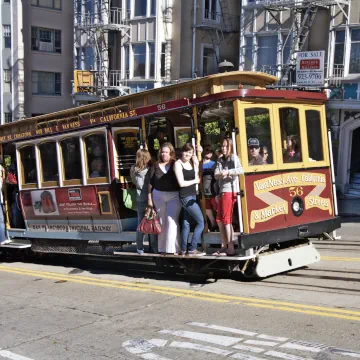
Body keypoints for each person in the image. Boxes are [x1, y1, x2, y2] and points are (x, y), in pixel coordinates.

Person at [148, 142, 182, 255]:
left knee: (171, 221)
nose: (164, 154)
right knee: (161, 222)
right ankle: (162, 249)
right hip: (158, 196)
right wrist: (149, 200)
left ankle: (173, 249)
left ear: (171, 153)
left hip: (174, 195)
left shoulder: (175, 164)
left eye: (166, 152)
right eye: (162, 152)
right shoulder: (155, 165)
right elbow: (150, 183)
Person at [174, 143, 206, 256]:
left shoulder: (191, 162)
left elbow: (198, 171)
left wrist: (199, 153)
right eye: (186, 151)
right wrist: (195, 181)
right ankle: (192, 248)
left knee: (186, 223)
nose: (188, 154)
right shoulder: (178, 164)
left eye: (190, 152)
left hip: (192, 195)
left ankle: (183, 249)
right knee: (201, 222)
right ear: (182, 151)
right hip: (185, 197)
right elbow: (181, 183)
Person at [213, 138, 243, 256]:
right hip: (222, 190)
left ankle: (230, 248)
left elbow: (240, 170)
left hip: (230, 190)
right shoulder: (220, 159)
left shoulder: (234, 158)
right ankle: (223, 245)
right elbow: (216, 174)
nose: (223, 148)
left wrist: (228, 172)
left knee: (226, 219)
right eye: (222, 146)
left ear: (230, 147)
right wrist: (223, 174)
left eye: (226, 146)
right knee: (219, 219)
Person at [130, 149, 156, 254]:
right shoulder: (151, 169)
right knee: (153, 222)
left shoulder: (133, 169)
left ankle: (139, 247)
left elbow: (134, 181)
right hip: (151, 198)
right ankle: (155, 248)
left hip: (140, 198)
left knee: (140, 223)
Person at [202, 145, 219, 232]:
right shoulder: (200, 164)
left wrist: (216, 192)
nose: (209, 153)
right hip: (203, 192)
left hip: (212, 190)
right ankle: (213, 224)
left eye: (211, 151)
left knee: (216, 207)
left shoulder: (214, 164)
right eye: (207, 150)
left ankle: (219, 226)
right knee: (207, 208)